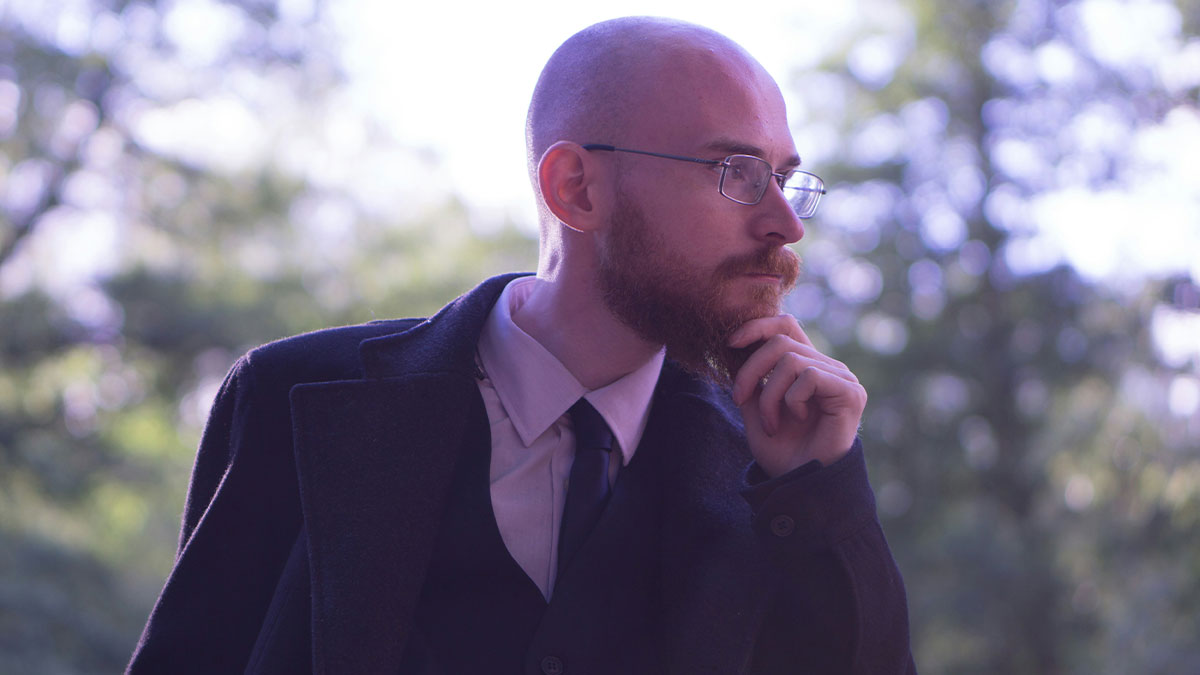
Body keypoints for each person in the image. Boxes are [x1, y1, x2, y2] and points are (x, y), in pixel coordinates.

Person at [128, 16, 916, 674]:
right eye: (736, 172)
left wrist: (822, 492)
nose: (786, 222)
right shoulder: (290, 397)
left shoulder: (776, 466)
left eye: (787, 178)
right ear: (575, 187)